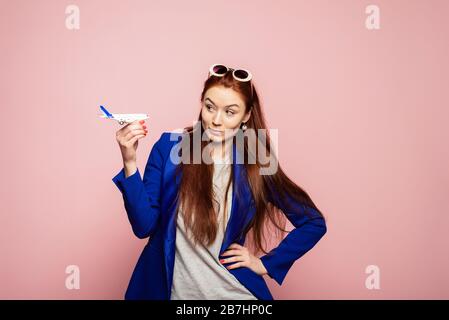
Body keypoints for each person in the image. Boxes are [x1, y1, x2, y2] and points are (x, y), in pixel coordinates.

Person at [112, 63, 327, 300]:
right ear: (201, 104)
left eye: (230, 112)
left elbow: (313, 222)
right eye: (210, 107)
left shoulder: (256, 161)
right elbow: (144, 226)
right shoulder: (170, 147)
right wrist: (130, 161)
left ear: (246, 116)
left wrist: (265, 264)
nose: (216, 120)